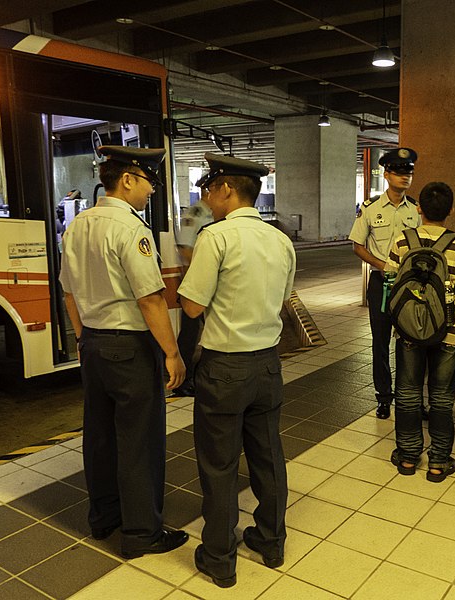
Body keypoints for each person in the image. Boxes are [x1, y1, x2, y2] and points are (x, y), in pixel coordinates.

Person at [59, 145, 188, 558]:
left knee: (99, 436)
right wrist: (172, 352)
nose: (151, 190)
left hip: (94, 344)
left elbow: (68, 292)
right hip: (129, 348)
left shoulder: (77, 224)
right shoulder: (132, 229)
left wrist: (82, 338)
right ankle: (142, 533)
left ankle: (103, 518)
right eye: (149, 181)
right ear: (128, 179)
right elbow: (150, 299)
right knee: (139, 440)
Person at [179, 152, 296, 588]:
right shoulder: (280, 239)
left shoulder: (216, 237)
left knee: (220, 464)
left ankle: (220, 558)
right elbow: (284, 297)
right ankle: (270, 540)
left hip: (224, 369)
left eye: (209, 189)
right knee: (268, 456)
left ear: (228, 189)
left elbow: (192, 305)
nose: (206, 198)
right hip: (267, 365)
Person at [385, 182, 455, 483]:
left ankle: (409, 457)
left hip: (408, 331)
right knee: (441, 396)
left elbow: (391, 280)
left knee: (408, 393)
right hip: (449, 332)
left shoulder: (403, 240)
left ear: (419, 208)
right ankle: (438, 460)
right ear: (451, 210)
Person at [349, 148, 420, 419]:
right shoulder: (370, 208)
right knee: (380, 344)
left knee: (410, 342)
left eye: (409, 172)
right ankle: (383, 397)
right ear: (387, 174)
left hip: (409, 286)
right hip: (381, 284)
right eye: (400, 172)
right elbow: (358, 246)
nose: (406, 177)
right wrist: (382, 265)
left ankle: (409, 396)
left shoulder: (415, 209)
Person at [173, 198, 213, 397]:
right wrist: (197, 277)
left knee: (204, 330)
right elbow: (185, 249)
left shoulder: (212, 213)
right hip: (194, 283)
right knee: (190, 333)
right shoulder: (195, 213)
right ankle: (182, 380)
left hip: (206, 282)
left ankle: (197, 375)